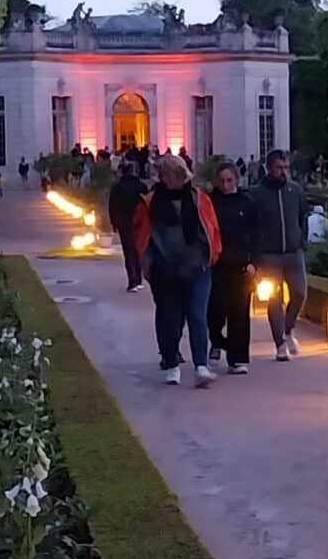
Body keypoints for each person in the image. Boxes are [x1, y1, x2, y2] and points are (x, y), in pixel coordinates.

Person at [132, 154, 222, 387]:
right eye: (168, 174)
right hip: (166, 269)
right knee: (170, 318)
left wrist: (208, 257)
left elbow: (212, 232)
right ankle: (171, 363)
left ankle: (201, 365)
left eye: (176, 173)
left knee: (197, 316)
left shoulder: (199, 200)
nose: (172, 178)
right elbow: (142, 236)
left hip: (196, 267)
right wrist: (149, 266)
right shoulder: (150, 202)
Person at [250, 149, 309, 362]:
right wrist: (255, 256)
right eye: (279, 168)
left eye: (286, 168)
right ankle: (280, 343)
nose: (283, 172)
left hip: (294, 251)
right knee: (274, 299)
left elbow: (303, 216)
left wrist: (302, 241)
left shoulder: (295, 190)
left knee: (300, 293)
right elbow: (252, 226)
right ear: (269, 168)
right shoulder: (256, 194)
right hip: (269, 255)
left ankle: (288, 329)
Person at [207, 160, 257, 374]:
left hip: (241, 266)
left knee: (240, 312)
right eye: (222, 181)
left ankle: (238, 358)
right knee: (215, 311)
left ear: (237, 180)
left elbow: (256, 235)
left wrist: (254, 262)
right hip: (216, 265)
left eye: (229, 180)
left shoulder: (247, 202)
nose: (226, 185)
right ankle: (217, 341)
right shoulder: (210, 202)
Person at [108, 162, 146, 292]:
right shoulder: (141, 186)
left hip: (124, 223)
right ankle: (139, 279)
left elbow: (112, 206)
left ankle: (132, 281)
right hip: (139, 223)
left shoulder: (117, 187)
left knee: (129, 252)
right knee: (139, 250)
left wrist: (114, 223)